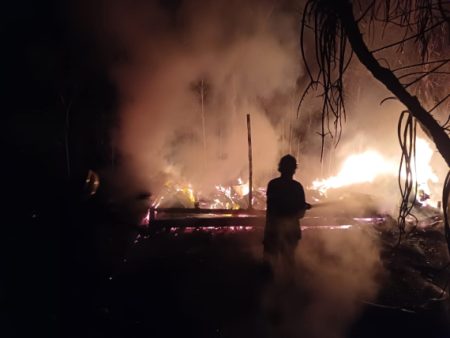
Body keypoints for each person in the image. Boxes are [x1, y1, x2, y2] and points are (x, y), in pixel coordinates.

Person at [263, 154, 311, 278]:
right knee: (288, 264)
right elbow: (300, 214)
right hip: (290, 233)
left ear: (280, 168)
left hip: (272, 231)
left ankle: (268, 290)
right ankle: (288, 290)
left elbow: (272, 208)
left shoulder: (273, 185)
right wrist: (302, 207)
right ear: (294, 170)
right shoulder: (297, 187)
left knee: (269, 265)